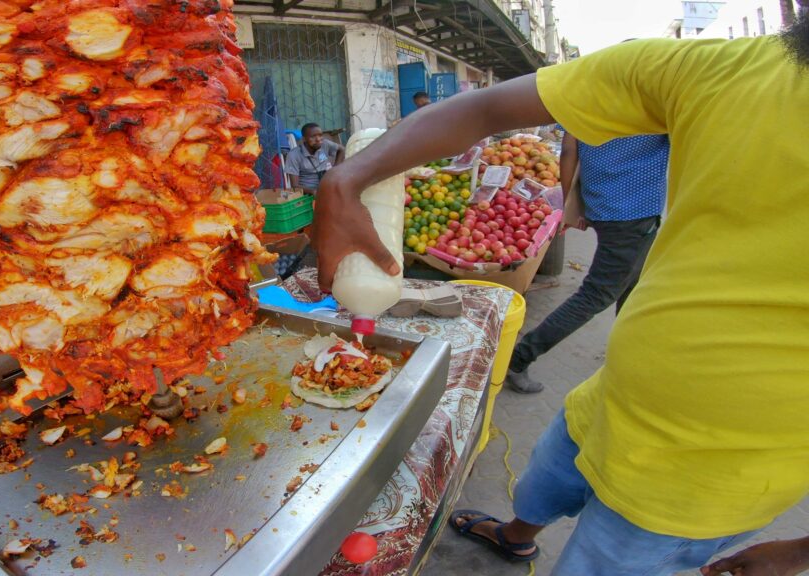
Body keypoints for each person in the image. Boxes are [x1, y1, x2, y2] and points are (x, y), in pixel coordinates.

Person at [310, 5, 809, 575]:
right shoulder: (714, 69)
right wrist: (348, 176)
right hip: (612, 401)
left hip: (713, 480)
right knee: (541, 489)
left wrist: (799, 552)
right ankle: (517, 535)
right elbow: (488, 107)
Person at [505, 129, 669, 394]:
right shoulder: (654, 100)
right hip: (633, 213)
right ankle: (519, 358)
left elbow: (569, 150)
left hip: (602, 203)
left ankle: (627, 355)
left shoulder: (592, 94)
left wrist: (573, 203)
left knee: (632, 284)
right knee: (596, 295)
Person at [283, 123, 344, 194]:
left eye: (320, 135)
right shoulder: (294, 155)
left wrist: (335, 169)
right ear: (304, 139)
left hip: (327, 187)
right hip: (308, 194)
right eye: (313, 136)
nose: (318, 139)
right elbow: (295, 186)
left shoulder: (325, 144)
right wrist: (313, 192)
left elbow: (342, 150)